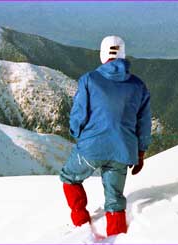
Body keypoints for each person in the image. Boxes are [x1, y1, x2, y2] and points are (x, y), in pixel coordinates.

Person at [60, 36, 152, 236]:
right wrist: (141, 152)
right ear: (123, 54)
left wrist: (78, 135)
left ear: (102, 54)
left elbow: (78, 115)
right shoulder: (139, 86)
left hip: (91, 147)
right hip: (123, 149)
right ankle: (116, 236)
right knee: (115, 199)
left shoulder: (89, 79)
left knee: (69, 177)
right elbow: (144, 123)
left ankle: (81, 224)